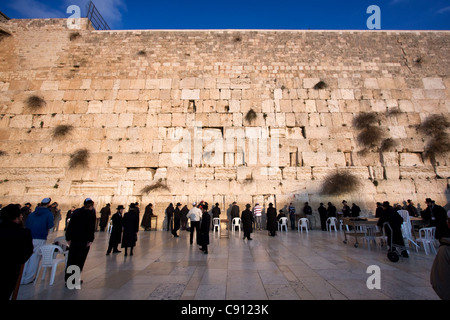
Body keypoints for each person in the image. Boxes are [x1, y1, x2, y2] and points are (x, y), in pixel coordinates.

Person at [0, 204, 33, 300]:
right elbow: (27, 252)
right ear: (16, 218)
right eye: (20, 215)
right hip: (10, 271)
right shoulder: (24, 233)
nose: (22, 217)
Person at [21, 197, 54, 285]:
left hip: (29, 237)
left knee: (26, 257)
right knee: (35, 258)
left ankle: (21, 278)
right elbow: (50, 225)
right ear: (48, 204)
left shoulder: (32, 213)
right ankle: (28, 278)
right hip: (40, 237)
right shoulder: (48, 214)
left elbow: (27, 225)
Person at [65, 198, 96, 286]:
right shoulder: (91, 214)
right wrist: (90, 240)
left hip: (74, 239)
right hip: (83, 240)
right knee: (79, 260)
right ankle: (74, 280)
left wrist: (68, 238)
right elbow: (91, 228)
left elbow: (70, 226)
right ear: (91, 205)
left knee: (71, 259)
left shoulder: (76, 212)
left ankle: (68, 280)